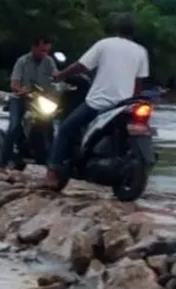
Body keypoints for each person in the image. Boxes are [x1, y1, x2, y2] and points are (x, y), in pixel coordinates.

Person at [43, 13, 149, 189]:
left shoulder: (104, 44)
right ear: (133, 32)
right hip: (124, 105)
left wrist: (61, 75)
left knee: (65, 129)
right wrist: (133, 101)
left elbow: (81, 66)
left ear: (116, 29)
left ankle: (52, 174)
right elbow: (138, 83)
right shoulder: (141, 51)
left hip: (98, 102)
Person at [0, 36, 57, 169]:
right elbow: (14, 83)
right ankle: (2, 164)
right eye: (42, 50)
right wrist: (22, 90)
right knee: (14, 127)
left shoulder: (49, 61)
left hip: (40, 100)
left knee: (49, 126)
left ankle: (52, 163)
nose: (44, 54)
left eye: (47, 51)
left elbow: (56, 78)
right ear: (33, 48)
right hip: (20, 98)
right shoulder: (22, 61)